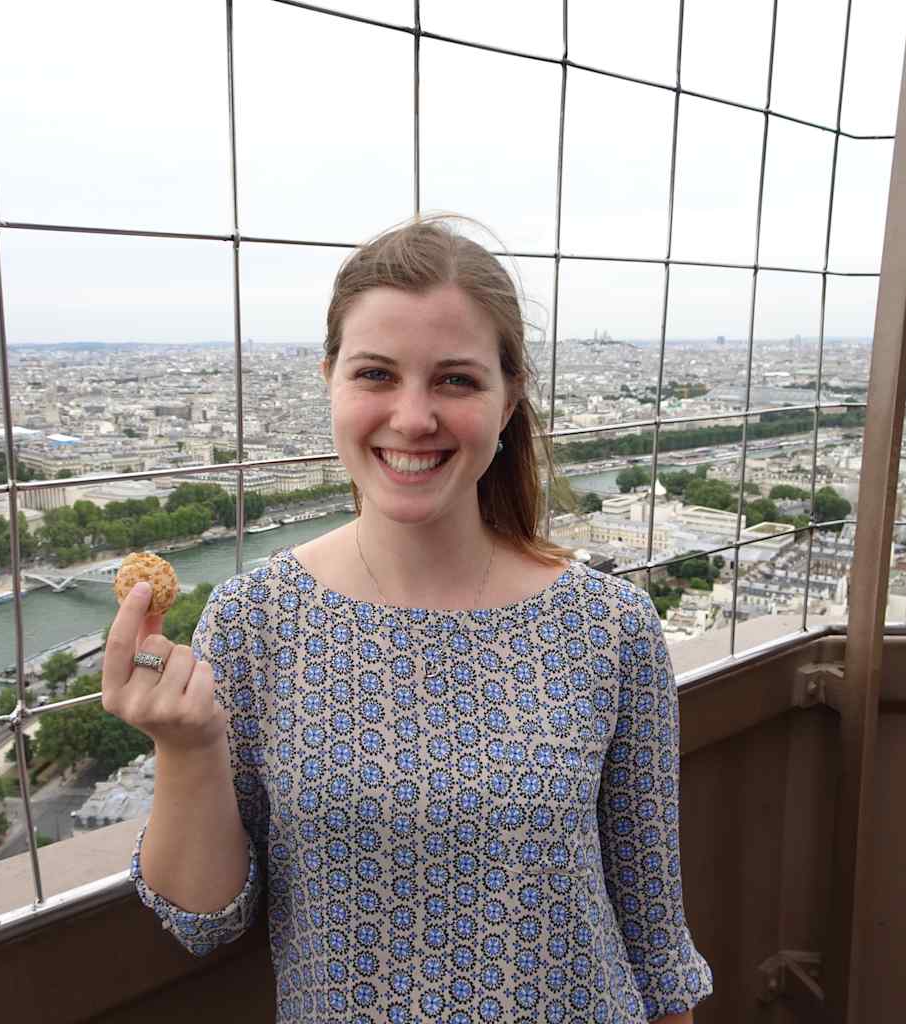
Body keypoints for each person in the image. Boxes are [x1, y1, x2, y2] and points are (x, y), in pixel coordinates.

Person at [103, 215, 713, 1022]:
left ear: (508, 400)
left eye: (455, 380)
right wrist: (184, 746)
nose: (413, 417)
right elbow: (205, 917)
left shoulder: (611, 627)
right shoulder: (254, 620)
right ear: (330, 381)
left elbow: (654, 943)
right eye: (376, 375)